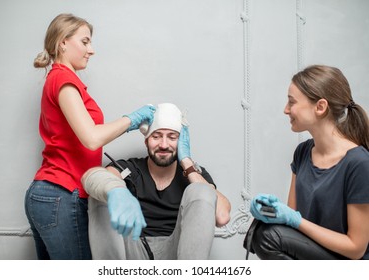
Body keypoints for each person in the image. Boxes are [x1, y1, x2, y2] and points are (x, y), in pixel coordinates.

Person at [24, 13, 156, 260]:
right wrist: (133, 119)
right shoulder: (63, 78)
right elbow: (92, 138)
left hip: (50, 196)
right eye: (85, 42)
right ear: (63, 42)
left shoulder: (60, 78)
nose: (91, 50)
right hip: (61, 194)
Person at [248, 65, 369, 259]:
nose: (285, 110)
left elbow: (356, 248)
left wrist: (293, 220)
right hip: (314, 255)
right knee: (263, 232)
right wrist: (271, 212)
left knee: (268, 237)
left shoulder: (359, 163)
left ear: (320, 107)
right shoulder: (303, 152)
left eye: (292, 102)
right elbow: (292, 222)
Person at [82, 103, 231, 259]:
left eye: (172, 137)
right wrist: (115, 190)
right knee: (102, 191)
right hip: (133, 252)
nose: (164, 145)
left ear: (181, 144)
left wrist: (187, 162)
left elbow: (222, 216)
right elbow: (91, 177)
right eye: (156, 136)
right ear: (146, 141)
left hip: (178, 253)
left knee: (201, 189)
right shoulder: (130, 168)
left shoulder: (193, 174)